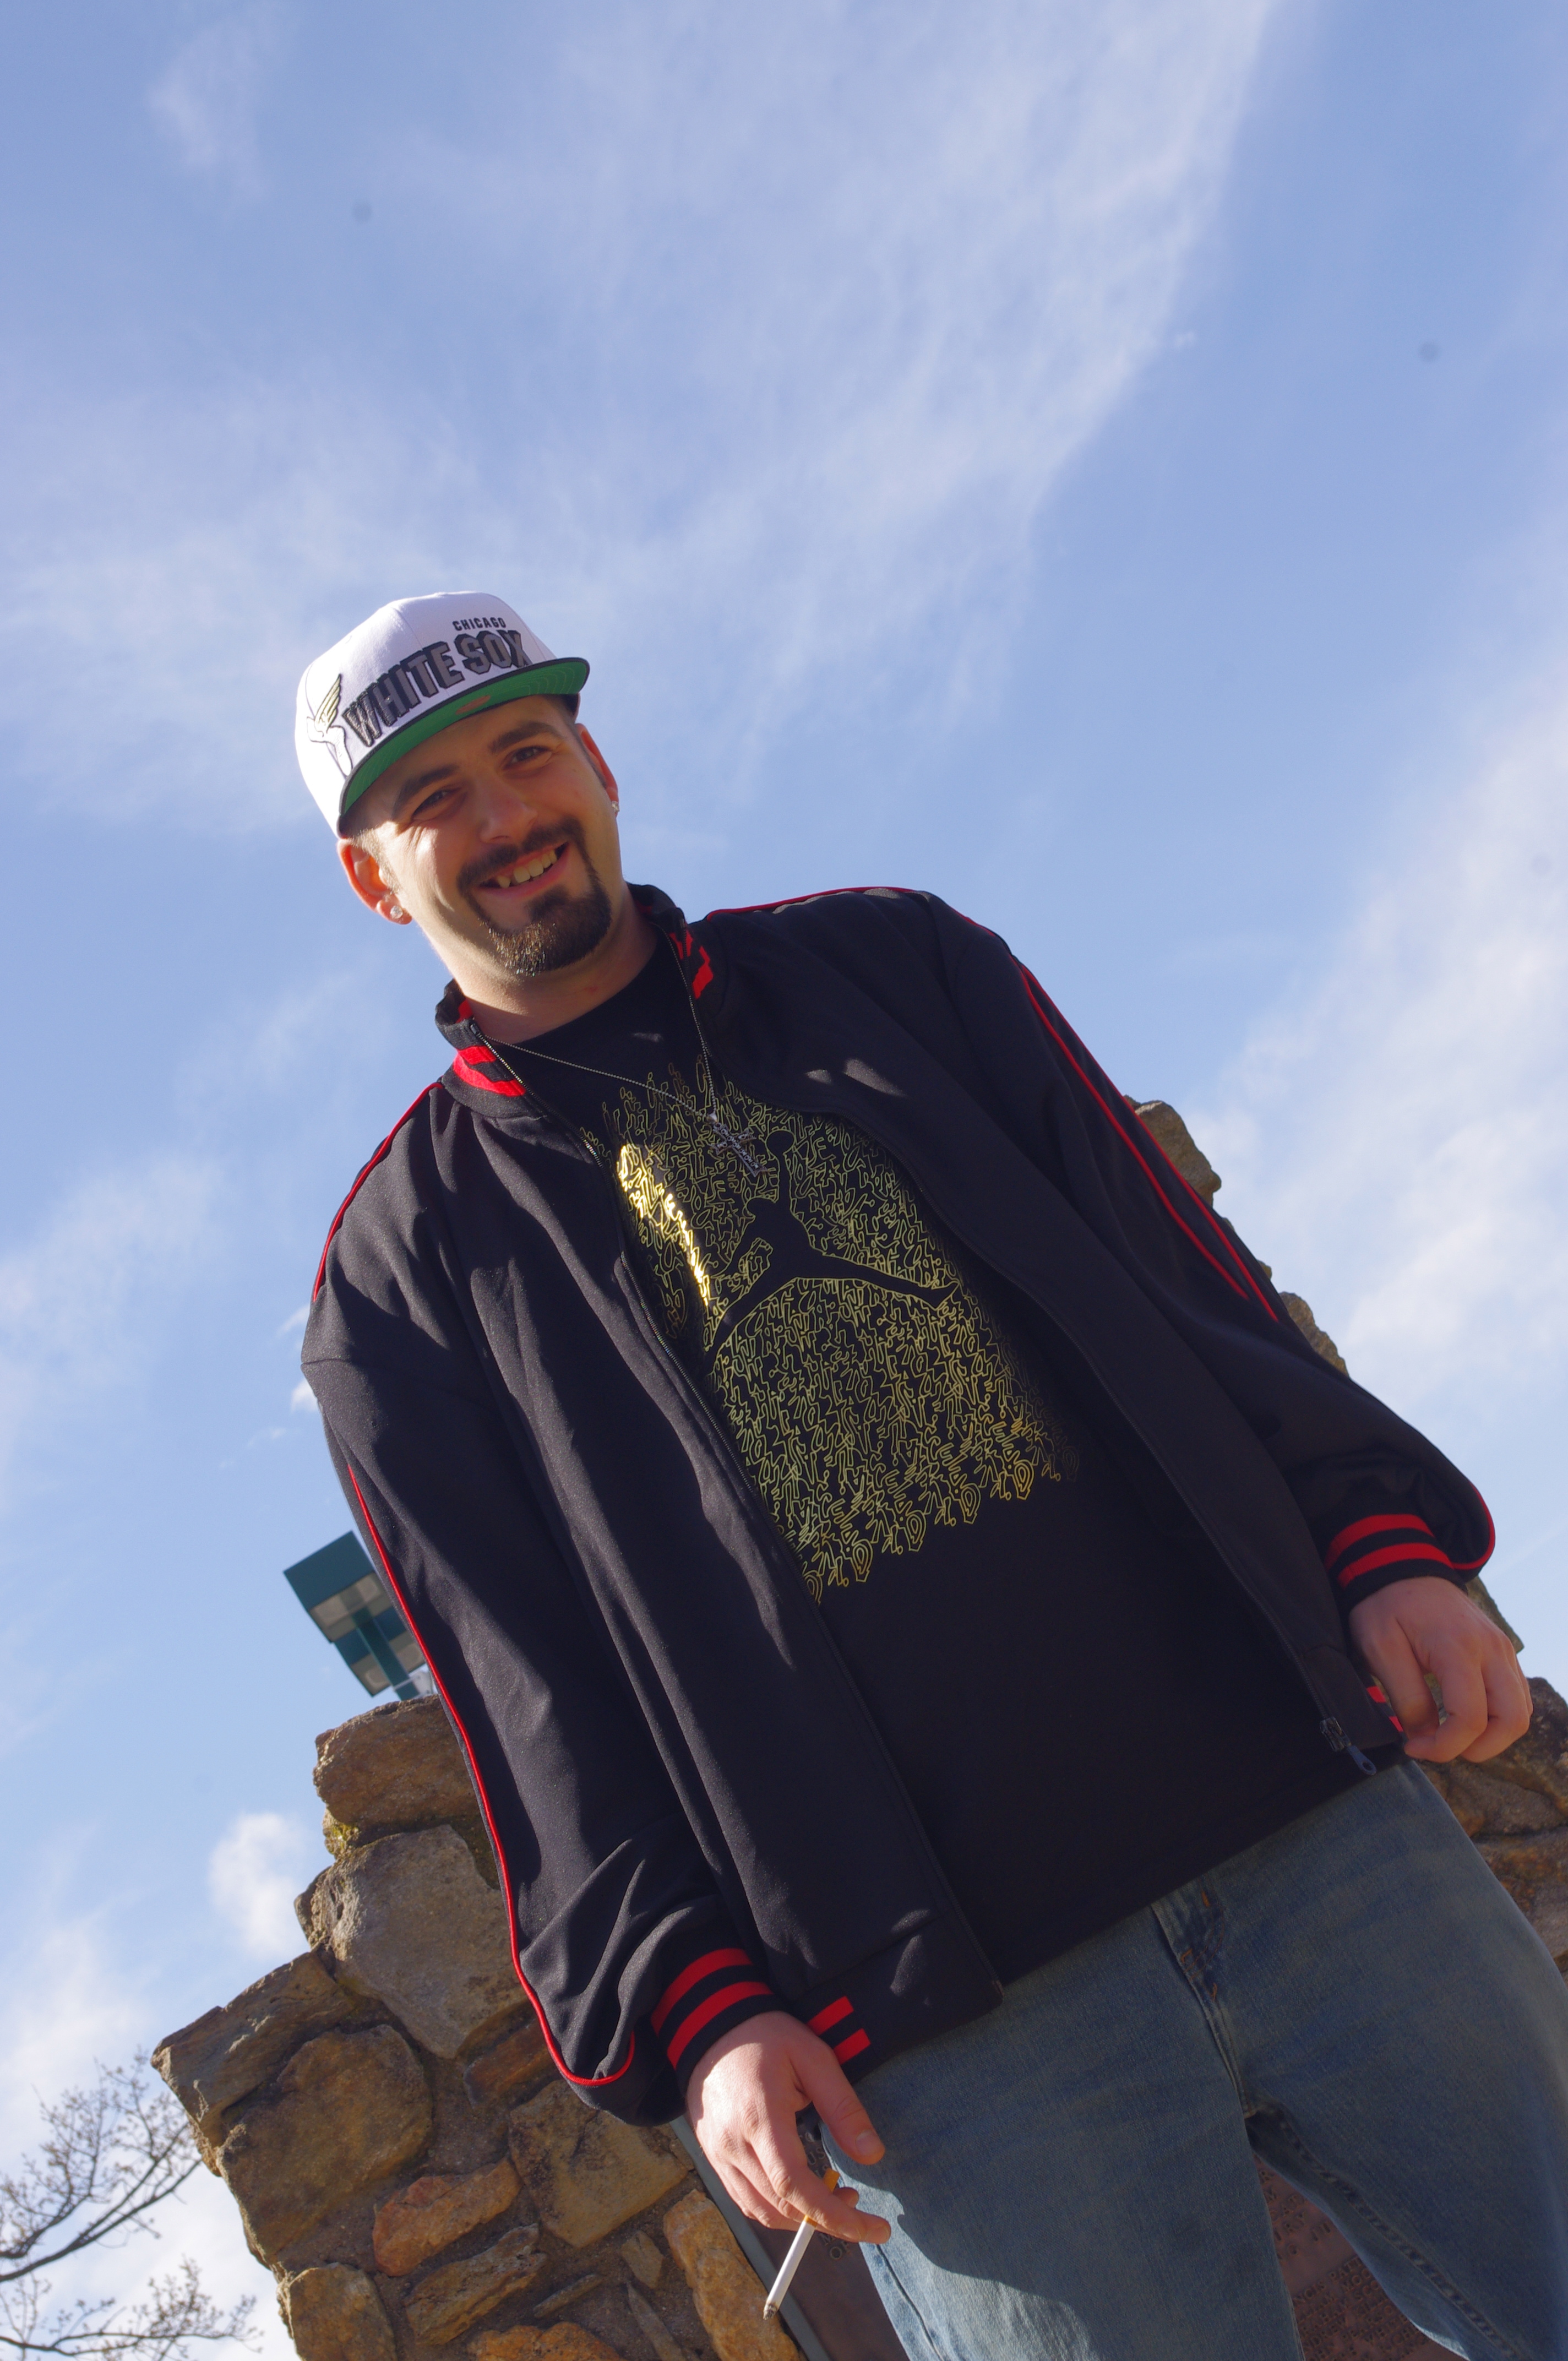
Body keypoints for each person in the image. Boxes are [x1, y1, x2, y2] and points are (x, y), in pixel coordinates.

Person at [296, 592, 1568, 2360]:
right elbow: (534, 1713)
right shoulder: (396, 1286)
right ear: (373, 877)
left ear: (599, 765)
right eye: (436, 797)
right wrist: (702, 2008)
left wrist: (1377, 1543)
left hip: (1314, 1831)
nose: (508, 817)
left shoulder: (898, 964)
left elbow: (1183, 1272)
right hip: (953, 2040)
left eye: (530, 753)